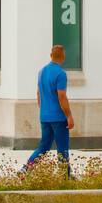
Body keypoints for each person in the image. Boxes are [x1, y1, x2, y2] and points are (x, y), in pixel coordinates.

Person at [25, 45, 74, 173]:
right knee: (62, 148)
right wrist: (69, 115)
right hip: (58, 117)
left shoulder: (41, 71)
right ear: (63, 57)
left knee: (43, 147)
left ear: (51, 55)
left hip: (45, 116)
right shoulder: (61, 74)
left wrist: (44, 109)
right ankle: (65, 177)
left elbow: (38, 93)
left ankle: (26, 169)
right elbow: (62, 96)